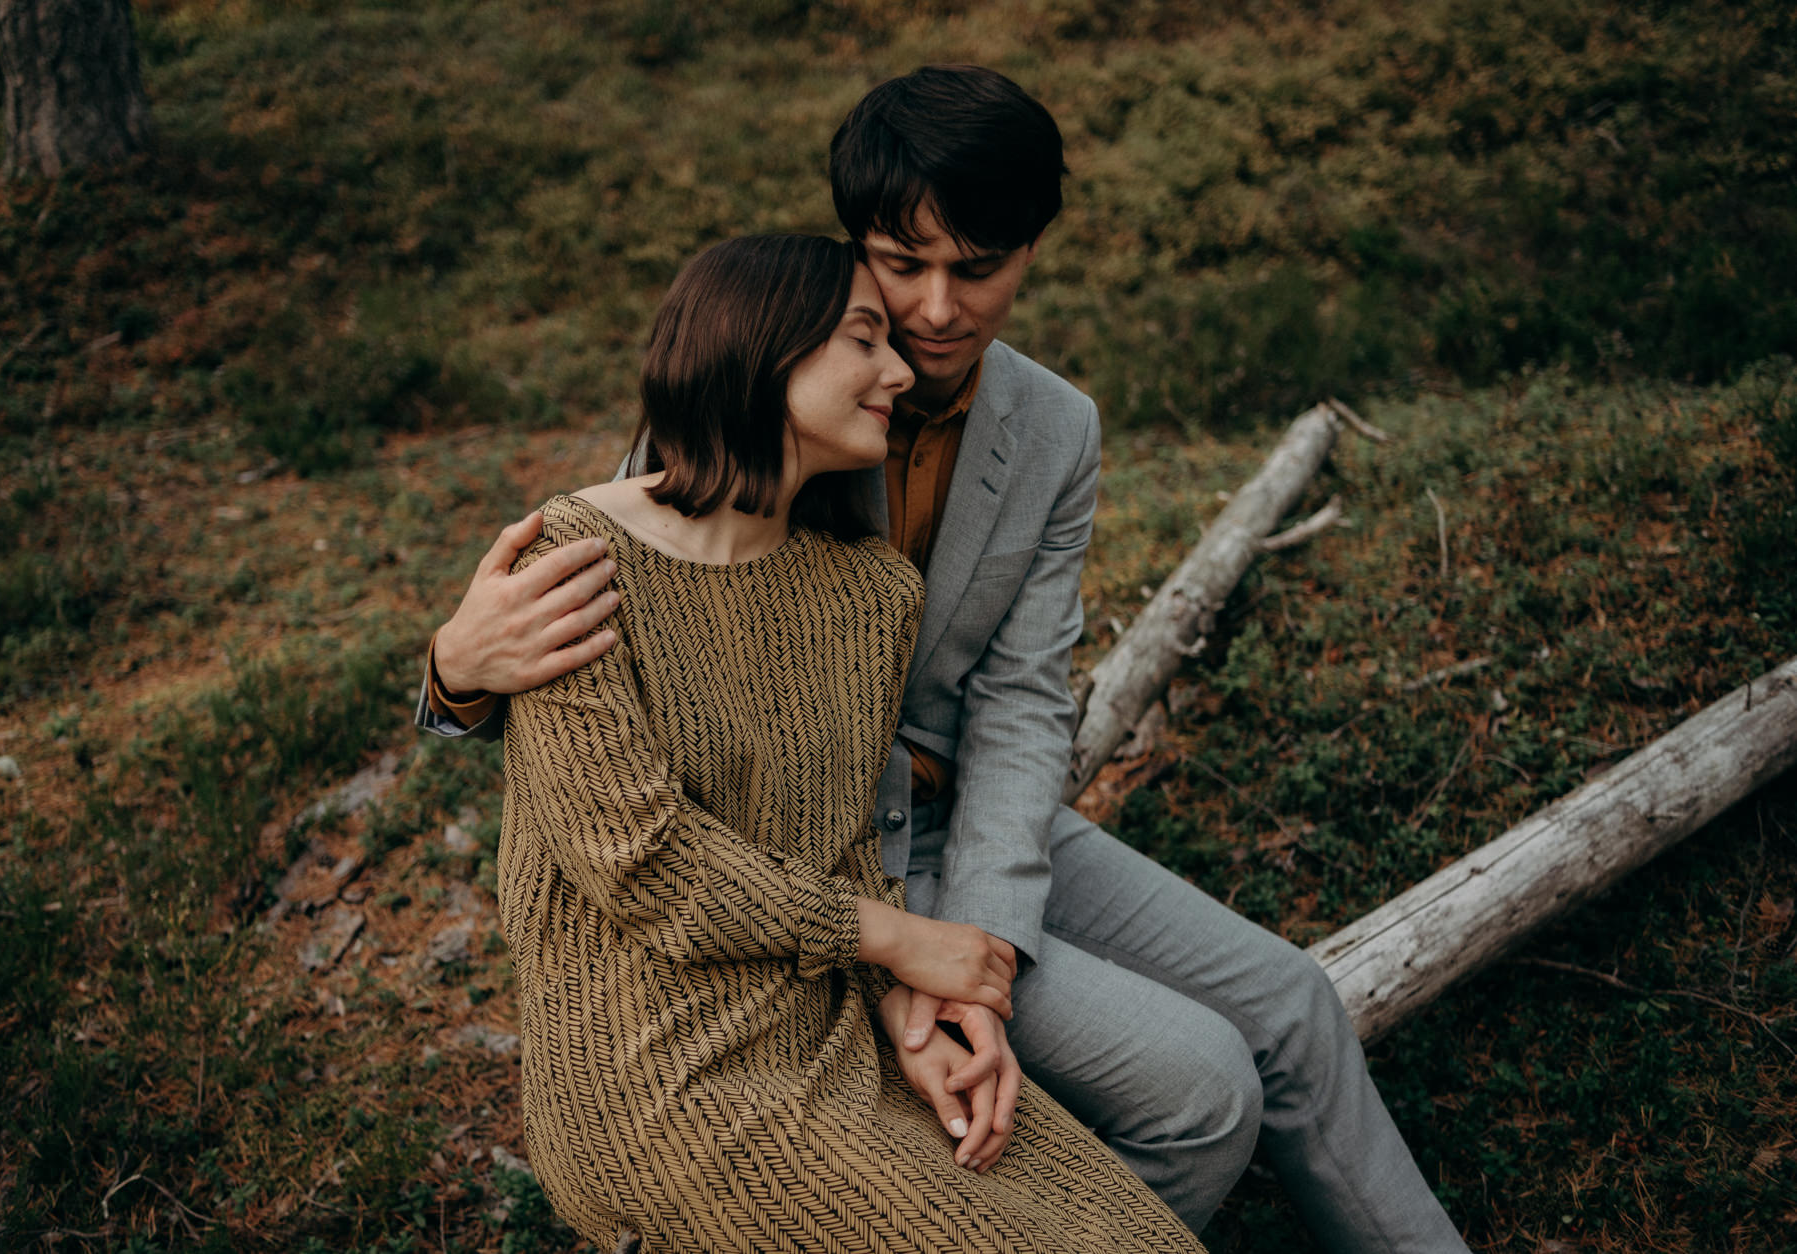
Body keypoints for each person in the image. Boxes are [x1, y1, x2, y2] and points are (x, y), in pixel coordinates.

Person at [421, 66, 1469, 1253]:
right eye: (899, 263)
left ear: (1030, 251)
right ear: (852, 242)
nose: (934, 308)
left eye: (978, 267)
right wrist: (456, 672)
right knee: (1202, 1079)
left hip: (960, 816)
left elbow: (1025, 700)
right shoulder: (763, 375)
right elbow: (635, 637)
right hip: (794, 843)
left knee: (1293, 1004)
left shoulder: (1057, 427)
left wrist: (981, 944)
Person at [495, 232, 1202, 1253]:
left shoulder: (872, 595)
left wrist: (918, 1017)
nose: (903, 371)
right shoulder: (572, 558)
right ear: (767, 350)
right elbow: (640, 861)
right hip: (655, 1072)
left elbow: (845, 847)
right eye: (865, 339)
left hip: (831, 1040)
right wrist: (898, 939)